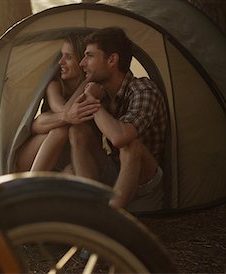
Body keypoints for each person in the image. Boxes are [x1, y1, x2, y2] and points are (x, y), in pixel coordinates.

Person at [67, 27, 168, 211]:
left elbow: (120, 137)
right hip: (115, 172)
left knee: (130, 144)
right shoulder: (102, 91)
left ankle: (107, 220)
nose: (82, 63)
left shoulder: (144, 90)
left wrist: (92, 101)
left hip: (144, 182)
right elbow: (68, 117)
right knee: (77, 131)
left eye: (89, 56)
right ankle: (92, 210)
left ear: (112, 60)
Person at [16, 33, 100, 172]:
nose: (60, 62)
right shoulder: (55, 85)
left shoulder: (95, 90)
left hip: (62, 163)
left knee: (72, 171)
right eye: (61, 55)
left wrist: (88, 82)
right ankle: (32, 185)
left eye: (68, 57)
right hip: (31, 158)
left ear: (81, 61)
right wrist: (86, 81)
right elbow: (64, 111)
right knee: (60, 131)